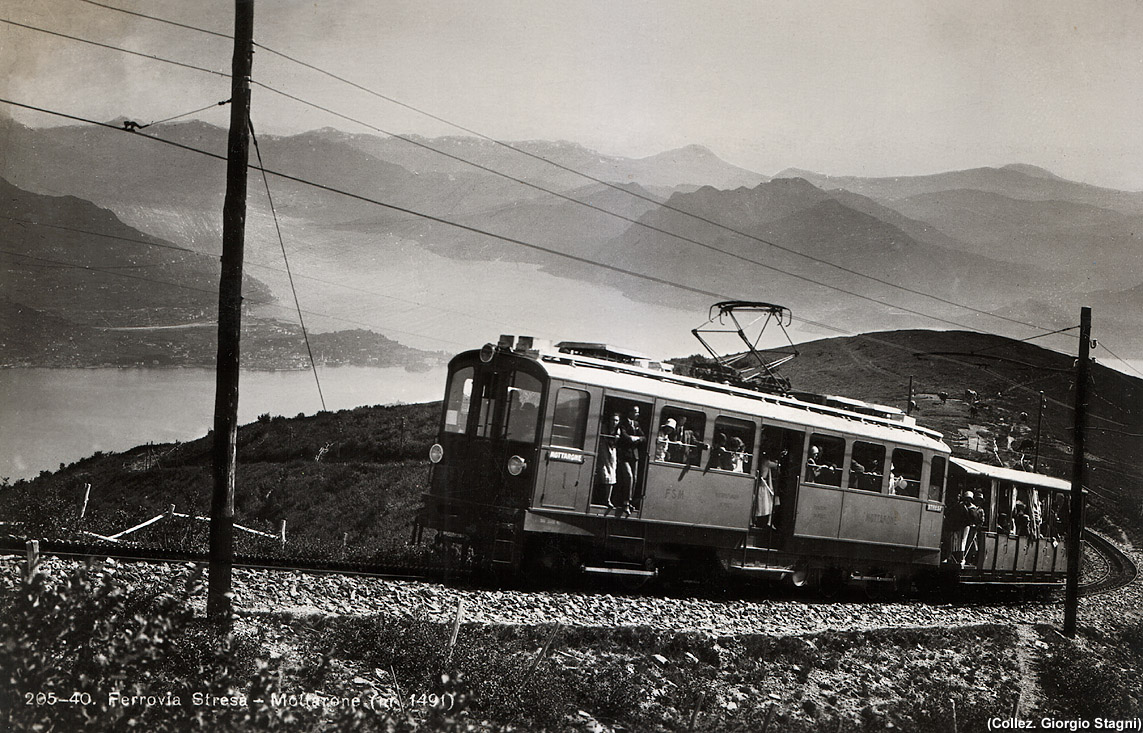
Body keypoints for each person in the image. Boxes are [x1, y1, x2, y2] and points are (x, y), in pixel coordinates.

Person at [615, 406, 645, 516]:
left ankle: (629, 501)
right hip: (624, 455)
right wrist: (633, 438)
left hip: (634, 456)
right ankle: (626, 502)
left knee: (634, 479)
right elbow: (624, 437)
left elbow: (643, 438)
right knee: (629, 477)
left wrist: (635, 438)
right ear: (630, 412)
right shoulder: (623, 423)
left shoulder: (636, 425)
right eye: (636, 412)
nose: (637, 414)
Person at [753, 449, 784, 528]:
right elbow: (777, 465)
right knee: (765, 504)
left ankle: (765, 522)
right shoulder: (766, 462)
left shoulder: (763, 461)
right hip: (763, 484)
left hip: (763, 483)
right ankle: (765, 522)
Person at [597, 413, 620, 507]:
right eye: (612, 420)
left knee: (611, 474)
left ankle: (607, 499)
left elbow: (614, 443)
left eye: (616, 420)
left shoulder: (618, 431)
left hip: (611, 453)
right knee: (602, 473)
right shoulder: (603, 427)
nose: (614, 422)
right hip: (603, 452)